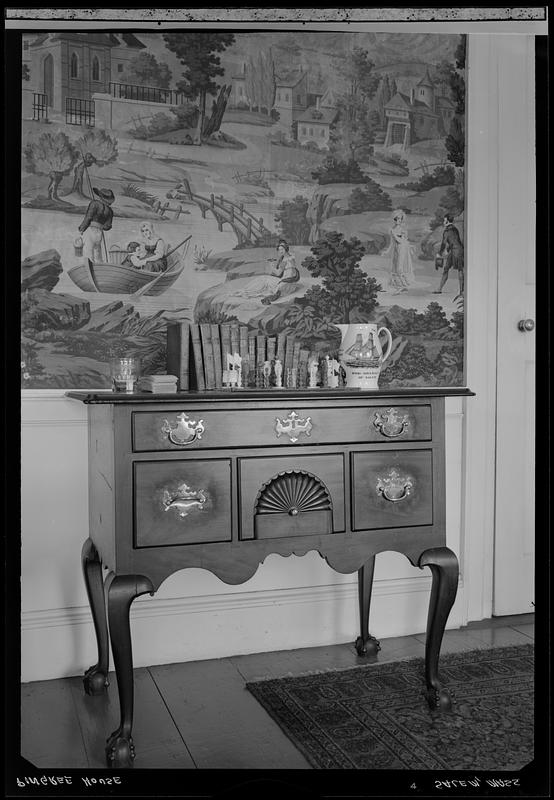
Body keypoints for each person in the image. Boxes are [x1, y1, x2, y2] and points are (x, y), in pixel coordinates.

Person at [78, 187, 115, 263]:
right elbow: (108, 226)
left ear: (100, 197)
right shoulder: (110, 211)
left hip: (90, 230)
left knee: (88, 252)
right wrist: (101, 225)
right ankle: (99, 269)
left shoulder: (94, 203)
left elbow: (88, 217)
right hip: (99, 233)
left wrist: (82, 228)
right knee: (97, 253)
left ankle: (88, 269)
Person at [433, 214, 464, 297]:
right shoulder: (455, 229)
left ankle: (462, 292)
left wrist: (439, 253)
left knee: (458, 270)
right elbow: (455, 240)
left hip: (455, 251)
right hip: (459, 250)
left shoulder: (446, 231)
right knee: (451, 269)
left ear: (447, 221)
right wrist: (448, 249)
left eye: (444, 220)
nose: (443, 222)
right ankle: (440, 289)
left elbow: (443, 243)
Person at [386, 209, 415, 294]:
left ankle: (402, 286)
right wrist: (387, 251)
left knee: (400, 268)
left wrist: (394, 234)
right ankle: (403, 285)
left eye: (400, 219)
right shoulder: (392, 230)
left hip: (403, 250)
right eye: (397, 219)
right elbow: (392, 243)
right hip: (396, 250)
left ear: (402, 220)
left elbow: (402, 241)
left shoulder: (403, 230)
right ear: (394, 219)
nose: (398, 220)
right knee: (395, 268)